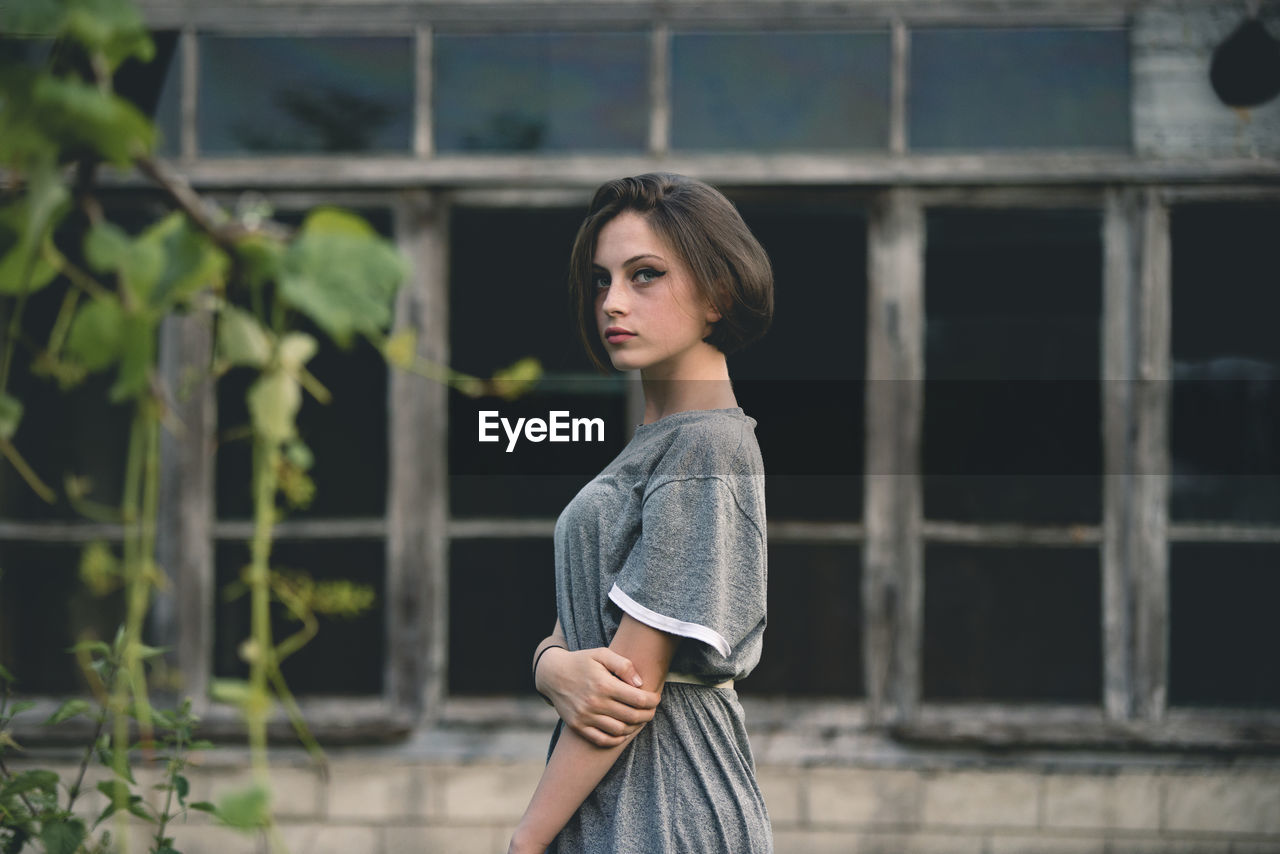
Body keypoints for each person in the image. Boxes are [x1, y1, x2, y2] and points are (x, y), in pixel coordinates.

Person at [508, 173, 775, 854]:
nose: (612, 302)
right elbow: (583, 627)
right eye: (602, 280)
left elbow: (629, 682)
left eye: (645, 275)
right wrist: (548, 666)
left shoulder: (706, 444)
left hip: (667, 802)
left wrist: (523, 843)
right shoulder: (659, 442)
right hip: (612, 797)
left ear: (717, 294)